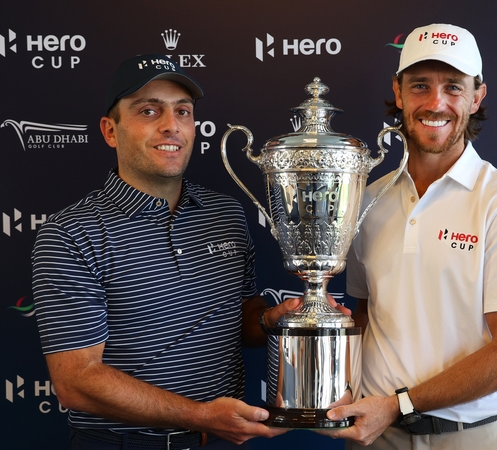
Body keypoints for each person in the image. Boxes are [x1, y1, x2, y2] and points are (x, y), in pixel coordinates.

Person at [31, 54, 302, 449]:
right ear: (110, 130)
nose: (170, 125)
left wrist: (271, 320)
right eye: (148, 110)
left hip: (219, 441)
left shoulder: (225, 213)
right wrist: (199, 415)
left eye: (183, 111)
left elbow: (240, 318)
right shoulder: (72, 233)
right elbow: (78, 383)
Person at [322, 24, 497, 449]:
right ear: (399, 92)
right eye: (420, 85)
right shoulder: (368, 199)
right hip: (376, 435)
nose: (435, 103)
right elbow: (368, 317)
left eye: (453, 87)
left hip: (470, 438)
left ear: (477, 96)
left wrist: (399, 404)